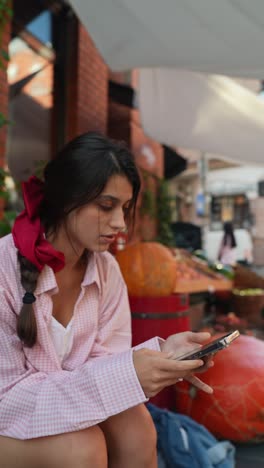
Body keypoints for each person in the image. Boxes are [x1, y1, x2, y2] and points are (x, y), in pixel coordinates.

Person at [0, 132, 214, 468]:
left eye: (125, 208)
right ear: (64, 198)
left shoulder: (107, 271)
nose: (119, 225)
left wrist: (162, 356)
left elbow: (102, 361)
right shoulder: (4, 268)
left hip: (55, 406)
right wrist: (128, 374)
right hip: (6, 415)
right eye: (106, 205)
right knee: (81, 449)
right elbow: (7, 397)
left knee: (137, 427)